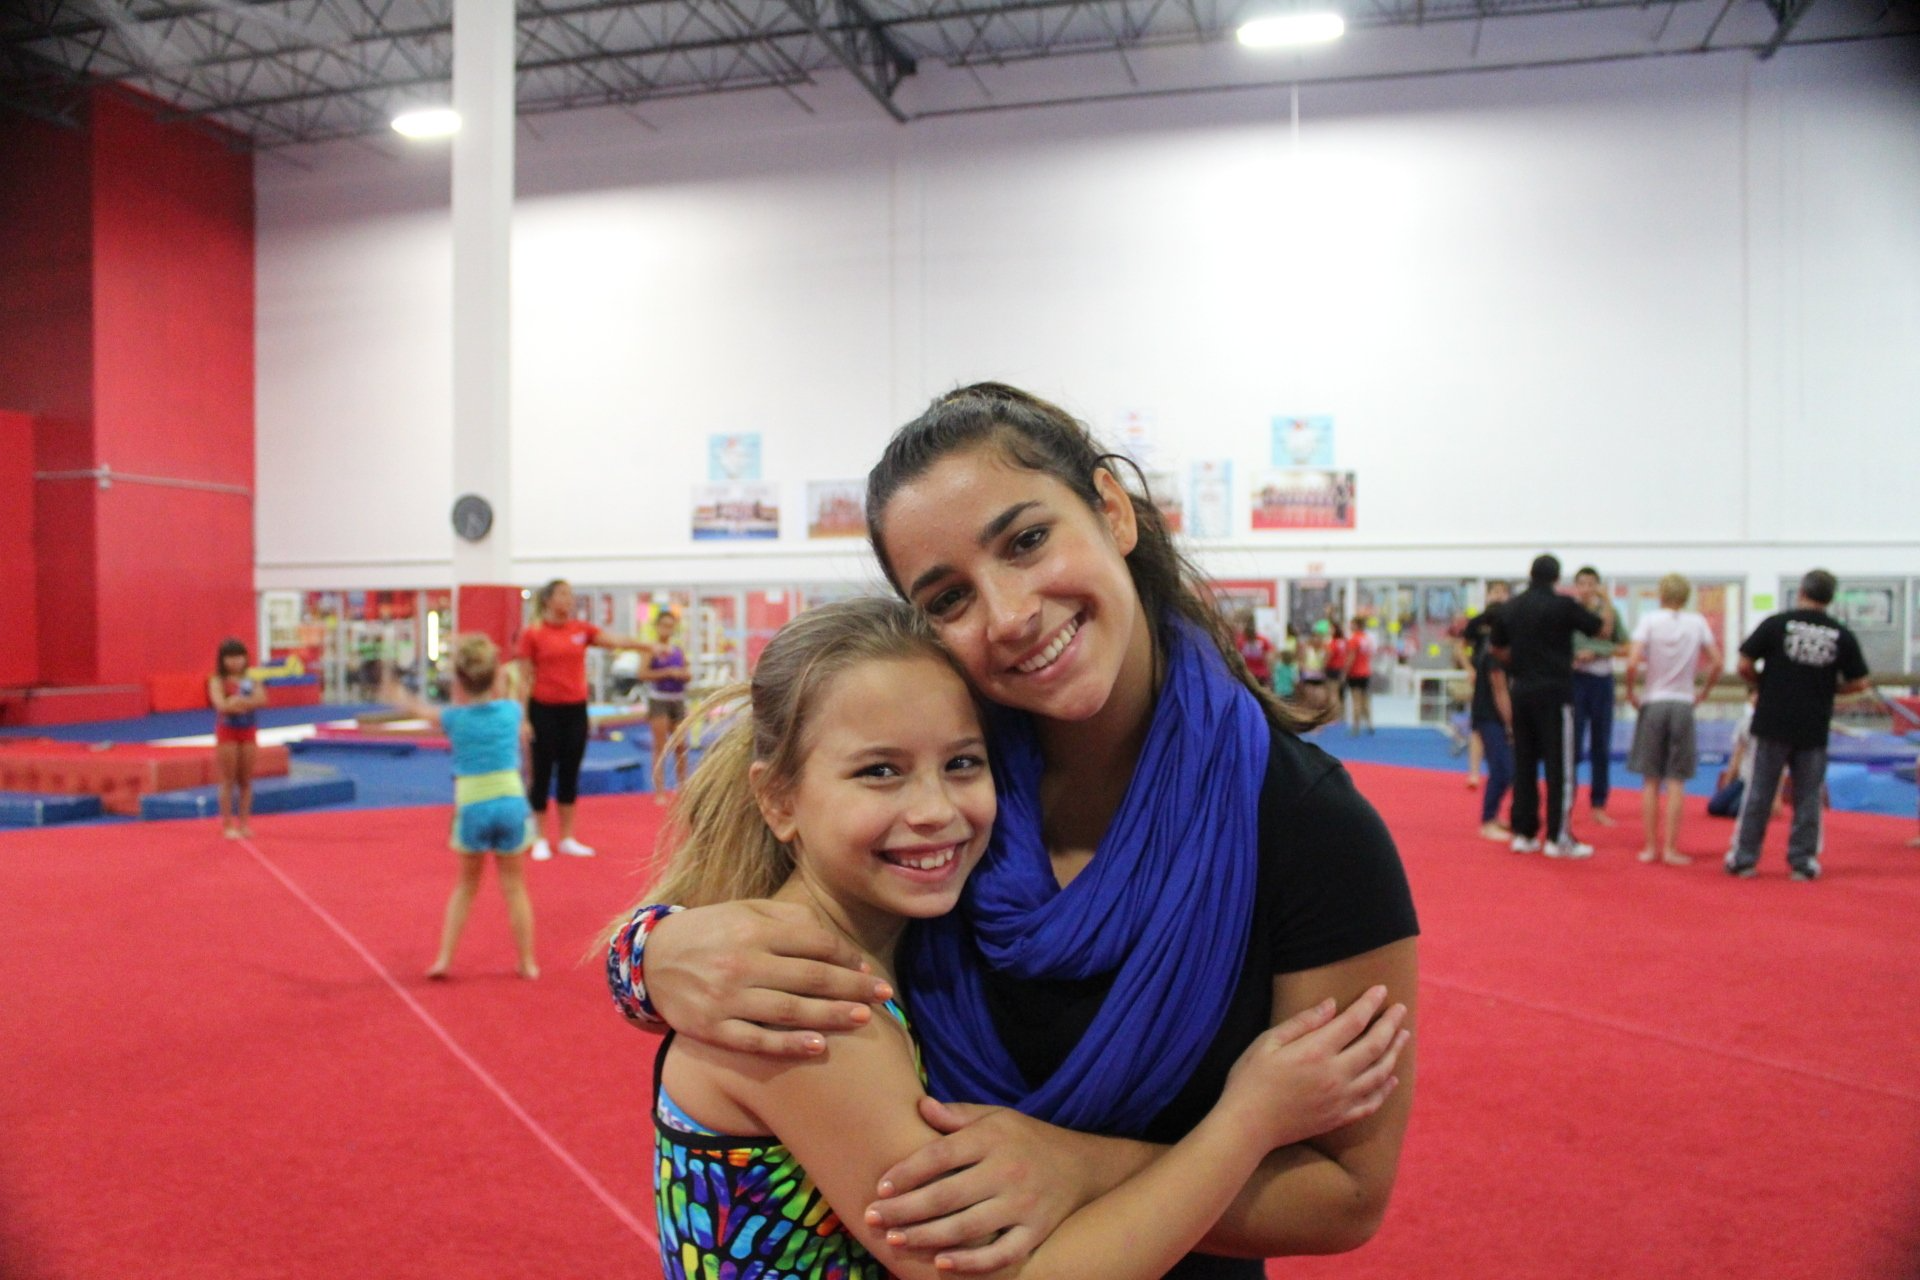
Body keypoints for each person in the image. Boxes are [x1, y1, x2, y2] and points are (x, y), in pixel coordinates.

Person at [613, 383, 1419, 1278]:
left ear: (1112, 509)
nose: (1009, 614)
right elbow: (753, 914)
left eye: (1028, 540)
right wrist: (649, 956)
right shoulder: (947, 775)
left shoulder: (1306, 824)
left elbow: (1347, 1194)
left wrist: (1077, 1163)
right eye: (949, 597)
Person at [381, 637, 538, 979]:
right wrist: (509, 678)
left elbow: (417, 709)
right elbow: (517, 690)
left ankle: (445, 959)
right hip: (510, 803)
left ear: (459, 682)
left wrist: (394, 690)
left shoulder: (455, 719)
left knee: (466, 887)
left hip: (474, 806)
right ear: (494, 676)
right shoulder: (511, 711)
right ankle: (527, 962)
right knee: (514, 886)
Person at [1725, 569, 1871, 882]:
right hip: (1812, 724)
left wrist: (1763, 683)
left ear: (1801, 591)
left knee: (1760, 792)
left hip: (1773, 720)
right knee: (1808, 796)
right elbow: (1860, 682)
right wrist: (1830, 689)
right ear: (1830, 598)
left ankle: (1744, 858)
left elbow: (1744, 664)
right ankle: (1802, 861)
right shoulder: (1840, 634)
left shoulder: (1777, 624)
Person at [513, 579, 652, 862]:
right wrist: (523, 719)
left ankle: (567, 837)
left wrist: (646, 646)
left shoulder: (581, 630)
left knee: (570, 771)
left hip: (575, 710)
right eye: (563, 594)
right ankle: (540, 837)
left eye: (571, 595)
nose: (570, 599)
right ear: (548, 600)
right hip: (543, 710)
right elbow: (523, 679)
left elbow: (615, 641)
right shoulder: (533, 633)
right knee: (541, 773)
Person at [1489, 554, 1613, 858]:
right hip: (1555, 694)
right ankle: (1559, 837)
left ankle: (1524, 833)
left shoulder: (1511, 607)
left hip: (1522, 691)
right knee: (1560, 766)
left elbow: (1497, 648)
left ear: (1530, 575)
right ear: (1557, 578)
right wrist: (1605, 600)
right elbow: (1603, 631)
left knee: (1524, 763)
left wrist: (1519, 664)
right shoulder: (1563, 606)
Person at [1622, 573, 1722, 866]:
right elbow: (1716, 662)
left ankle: (1650, 847)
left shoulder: (1649, 621)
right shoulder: (1697, 622)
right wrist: (1703, 692)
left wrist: (1631, 691)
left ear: (1661, 595)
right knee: (1676, 779)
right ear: (1686, 597)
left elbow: (1632, 662)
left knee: (1651, 778)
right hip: (1682, 702)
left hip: (1654, 700)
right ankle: (1670, 848)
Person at [1570, 566, 1626, 828]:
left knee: (1601, 744)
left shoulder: (1610, 614)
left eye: (1591, 584)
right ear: (1575, 587)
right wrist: (1575, 655)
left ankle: (1599, 804)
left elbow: (1625, 646)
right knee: (1572, 744)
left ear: (1598, 587)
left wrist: (1597, 652)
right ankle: (1567, 801)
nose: (1586, 589)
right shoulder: (1569, 612)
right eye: (1581, 584)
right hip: (1576, 680)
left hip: (1602, 681)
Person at [1460, 586, 1514, 840]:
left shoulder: (1501, 651)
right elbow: (1500, 691)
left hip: (1493, 713)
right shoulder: (1494, 654)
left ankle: (1493, 816)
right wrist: (1511, 723)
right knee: (1501, 769)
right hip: (1489, 714)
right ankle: (1487, 820)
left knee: (1506, 769)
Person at [208, 638, 268, 840]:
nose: (235, 661)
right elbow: (221, 705)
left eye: (239, 657)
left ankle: (243, 823)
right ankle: (227, 824)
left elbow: (262, 699)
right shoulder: (217, 680)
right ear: (223, 660)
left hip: (248, 730)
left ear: (245, 658)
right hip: (227, 731)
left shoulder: (251, 679)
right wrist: (242, 703)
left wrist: (238, 702)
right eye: (230, 657)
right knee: (228, 779)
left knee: (245, 780)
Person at [636, 609, 694, 796]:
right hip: (659, 700)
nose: (667, 629)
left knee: (680, 745)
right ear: (657, 627)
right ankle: (659, 790)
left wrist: (683, 675)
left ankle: (682, 786)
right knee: (660, 746)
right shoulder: (651, 650)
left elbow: (688, 673)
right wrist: (667, 672)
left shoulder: (678, 650)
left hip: (677, 699)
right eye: (664, 626)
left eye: (670, 626)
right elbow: (642, 674)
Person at [1347, 616, 1376, 735]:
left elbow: (1351, 657)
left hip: (1355, 673)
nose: (1350, 626)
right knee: (1365, 700)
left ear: (1357, 625)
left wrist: (1345, 671)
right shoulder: (1367, 639)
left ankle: (1356, 726)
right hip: (1366, 672)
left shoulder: (1354, 639)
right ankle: (1370, 724)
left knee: (1356, 700)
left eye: (1352, 624)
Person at [1235, 612, 1273, 693]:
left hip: (1247, 677)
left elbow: (1238, 660)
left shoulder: (1239, 641)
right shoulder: (1263, 640)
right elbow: (1269, 660)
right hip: (1261, 676)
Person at [1323, 617, 1349, 723]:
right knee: (1339, 693)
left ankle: (1333, 716)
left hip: (1332, 669)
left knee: (1332, 694)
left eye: (1330, 629)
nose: (1329, 631)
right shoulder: (1344, 642)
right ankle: (1340, 715)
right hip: (1341, 669)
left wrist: (1323, 666)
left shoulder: (1332, 643)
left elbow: (1328, 656)